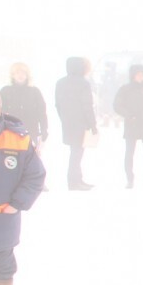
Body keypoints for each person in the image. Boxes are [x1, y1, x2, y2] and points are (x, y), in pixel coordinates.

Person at [0, 89, 46, 285]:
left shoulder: (18, 138)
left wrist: (17, 203)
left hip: (2, 218)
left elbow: (35, 175)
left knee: (2, 264)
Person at [114, 64, 143, 188]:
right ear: (132, 75)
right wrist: (128, 115)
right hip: (132, 125)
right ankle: (130, 180)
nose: (141, 77)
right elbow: (117, 105)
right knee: (129, 154)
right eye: (138, 74)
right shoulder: (125, 89)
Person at [54, 56, 97, 190]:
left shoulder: (60, 82)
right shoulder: (83, 83)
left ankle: (76, 180)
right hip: (81, 123)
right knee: (77, 153)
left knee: (75, 152)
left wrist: (64, 119)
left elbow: (58, 105)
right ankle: (74, 182)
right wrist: (93, 124)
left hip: (67, 122)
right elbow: (87, 106)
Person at [0, 63, 49, 158]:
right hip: (10, 132)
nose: (20, 75)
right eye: (17, 73)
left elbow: (42, 113)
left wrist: (44, 129)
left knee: (30, 160)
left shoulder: (35, 92)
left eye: (23, 73)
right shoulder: (5, 91)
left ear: (27, 75)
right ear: (13, 75)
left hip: (30, 131)